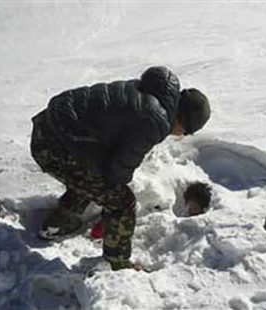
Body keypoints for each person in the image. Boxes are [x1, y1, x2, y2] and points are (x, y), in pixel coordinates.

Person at [30, 66, 210, 271]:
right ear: (183, 120)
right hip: (54, 147)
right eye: (185, 131)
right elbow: (117, 172)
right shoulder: (154, 119)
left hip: (49, 128)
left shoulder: (152, 93)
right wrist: (112, 211)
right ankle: (116, 264)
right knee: (122, 202)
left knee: (96, 175)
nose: (179, 136)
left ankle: (60, 222)